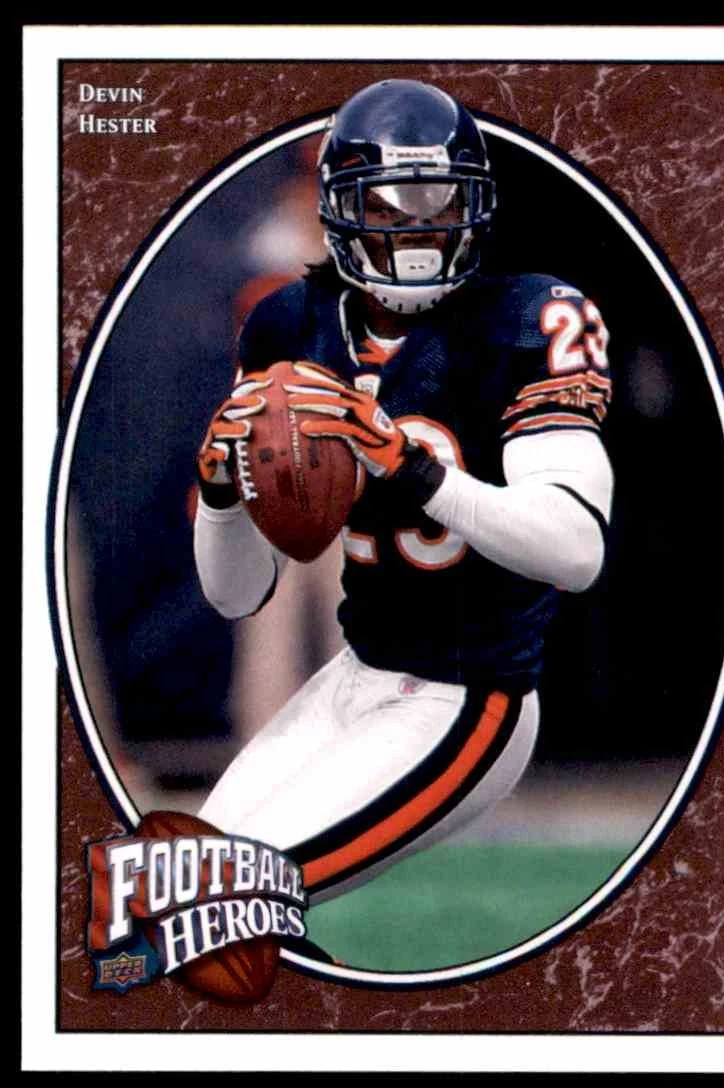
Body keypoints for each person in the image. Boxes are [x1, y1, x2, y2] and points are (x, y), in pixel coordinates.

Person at [193, 79, 614, 908]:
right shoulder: (288, 323)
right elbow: (234, 594)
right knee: (178, 890)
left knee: (222, 905)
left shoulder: (531, 317)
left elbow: (577, 550)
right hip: (355, 676)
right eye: (389, 205)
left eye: (438, 201)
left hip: (466, 695)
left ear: (475, 203)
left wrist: (408, 466)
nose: (417, 229)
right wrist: (219, 493)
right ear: (339, 209)